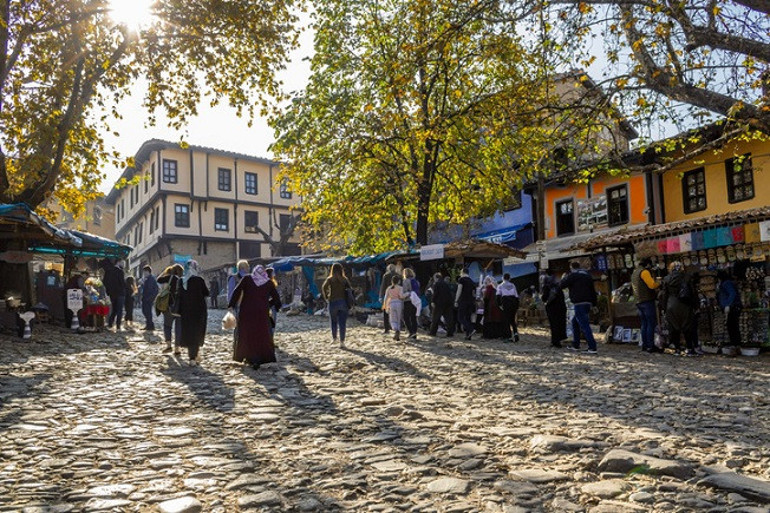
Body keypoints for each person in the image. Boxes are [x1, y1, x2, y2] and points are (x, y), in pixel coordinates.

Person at [228, 265, 282, 369]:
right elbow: (276, 298)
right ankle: (260, 358)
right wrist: (268, 304)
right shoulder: (268, 282)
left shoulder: (247, 279)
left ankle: (247, 356)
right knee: (260, 334)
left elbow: (237, 290)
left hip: (246, 312)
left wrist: (231, 304)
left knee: (247, 334)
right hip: (261, 313)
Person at [560, 261, 599, 354]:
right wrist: (594, 304)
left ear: (571, 267)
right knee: (575, 322)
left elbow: (562, 285)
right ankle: (576, 344)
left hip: (579, 303)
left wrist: (565, 277)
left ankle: (592, 347)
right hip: (587, 302)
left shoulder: (573, 275)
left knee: (584, 325)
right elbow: (593, 290)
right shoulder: (587, 275)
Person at [661, 261, 698, 356]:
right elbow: (693, 292)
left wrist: (664, 308)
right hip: (685, 304)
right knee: (687, 327)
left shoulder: (666, 279)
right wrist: (696, 305)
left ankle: (677, 348)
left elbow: (664, 295)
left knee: (674, 328)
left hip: (671, 305)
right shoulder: (687, 277)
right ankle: (689, 348)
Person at [178, 260, 209, 366]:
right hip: (199, 311)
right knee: (197, 332)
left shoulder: (182, 280)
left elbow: (179, 296)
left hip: (186, 311)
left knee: (189, 332)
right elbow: (206, 292)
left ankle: (192, 356)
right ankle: (193, 356)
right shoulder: (199, 280)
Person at [632, 257, 660, 353]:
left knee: (644, 324)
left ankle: (644, 345)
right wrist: (659, 283)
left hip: (639, 301)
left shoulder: (635, 272)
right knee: (650, 323)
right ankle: (650, 346)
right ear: (647, 265)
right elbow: (651, 285)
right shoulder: (644, 272)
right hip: (647, 301)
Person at [322, 263, 353, 347]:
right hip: (343, 302)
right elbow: (350, 289)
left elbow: (324, 287)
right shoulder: (344, 279)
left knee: (333, 321)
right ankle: (342, 341)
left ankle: (334, 338)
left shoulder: (330, 279)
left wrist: (326, 297)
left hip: (333, 302)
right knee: (342, 322)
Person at [541, 269, 567, 347]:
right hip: (561, 307)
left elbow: (544, 298)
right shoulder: (558, 286)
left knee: (554, 325)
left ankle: (555, 341)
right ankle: (559, 338)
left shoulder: (547, 286)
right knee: (560, 323)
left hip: (552, 308)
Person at [718, 269, 742, 350]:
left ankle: (735, 345)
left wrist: (728, 305)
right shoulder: (727, 283)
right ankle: (736, 345)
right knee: (733, 326)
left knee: (732, 326)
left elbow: (732, 293)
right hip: (733, 307)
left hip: (732, 307)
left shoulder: (726, 283)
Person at [102, 259, 126, 331]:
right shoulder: (120, 272)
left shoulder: (108, 271)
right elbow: (122, 283)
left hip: (112, 294)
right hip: (120, 293)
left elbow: (104, 282)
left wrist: (108, 291)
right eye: (122, 263)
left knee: (114, 310)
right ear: (118, 262)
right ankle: (118, 326)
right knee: (119, 310)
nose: (123, 265)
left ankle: (110, 323)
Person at [428, 273, 455, 337]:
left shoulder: (437, 284)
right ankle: (450, 332)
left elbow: (435, 293)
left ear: (436, 278)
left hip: (439, 303)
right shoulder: (446, 283)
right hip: (448, 302)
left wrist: (432, 301)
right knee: (449, 319)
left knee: (435, 318)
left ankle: (432, 332)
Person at [496, 273, 520, 343]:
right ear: (509, 278)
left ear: (502, 278)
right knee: (512, 319)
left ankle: (508, 336)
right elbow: (516, 296)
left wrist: (500, 305)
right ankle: (515, 334)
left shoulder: (500, 285)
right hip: (513, 302)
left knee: (506, 320)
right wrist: (517, 305)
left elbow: (498, 296)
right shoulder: (513, 285)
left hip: (505, 302)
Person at [455, 269, 478, 340]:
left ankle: (471, 329)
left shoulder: (461, 280)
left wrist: (456, 300)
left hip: (463, 301)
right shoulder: (472, 281)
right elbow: (474, 293)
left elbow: (459, 290)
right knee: (468, 318)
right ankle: (468, 336)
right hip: (470, 301)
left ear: (462, 272)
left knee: (460, 317)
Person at [383, 275, 404, 341]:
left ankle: (395, 329)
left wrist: (386, 306)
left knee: (392, 318)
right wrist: (407, 294)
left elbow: (386, 298)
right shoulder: (400, 288)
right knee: (398, 318)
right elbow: (401, 296)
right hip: (398, 303)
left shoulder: (389, 288)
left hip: (391, 303)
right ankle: (398, 330)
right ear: (399, 281)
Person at [401, 268, 420, 340]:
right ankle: (414, 333)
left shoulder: (405, 281)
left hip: (408, 301)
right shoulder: (416, 281)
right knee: (413, 317)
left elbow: (405, 291)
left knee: (406, 317)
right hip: (415, 301)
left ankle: (411, 332)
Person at [380, 264, 398, 334]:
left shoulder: (386, 275)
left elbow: (383, 286)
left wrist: (381, 296)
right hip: (396, 296)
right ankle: (396, 328)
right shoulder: (398, 275)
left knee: (386, 313)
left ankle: (387, 329)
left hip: (387, 296)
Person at [141, 265, 159, 330]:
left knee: (147, 312)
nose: (144, 273)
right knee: (145, 311)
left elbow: (154, 289)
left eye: (144, 272)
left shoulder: (151, 279)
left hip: (148, 298)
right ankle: (149, 325)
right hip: (146, 298)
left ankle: (150, 325)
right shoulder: (148, 279)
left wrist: (151, 298)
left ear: (148, 272)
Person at [266, 267, 279, 333]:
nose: (274, 274)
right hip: (270, 304)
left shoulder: (272, 281)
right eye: (273, 273)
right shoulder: (268, 282)